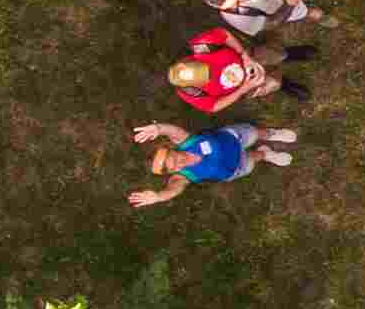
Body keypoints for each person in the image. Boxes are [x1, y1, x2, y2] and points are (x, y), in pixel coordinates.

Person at [127, 120, 294, 206]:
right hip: (235, 167)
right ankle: (265, 153)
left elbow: (172, 130)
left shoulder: (186, 141)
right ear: (171, 173)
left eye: (176, 158)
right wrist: (158, 197)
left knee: (255, 132)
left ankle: (272, 134)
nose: (180, 163)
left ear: (173, 148)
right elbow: (173, 190)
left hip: (235, 138)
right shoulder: (181, 177)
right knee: (254, 158)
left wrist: (158, 128)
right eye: (174, 168)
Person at [167, 27, 310, 111]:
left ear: (188, 60)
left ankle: (289, 55)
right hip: (242, 87)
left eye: (206, 69)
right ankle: (285, 85)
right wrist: (244, 88)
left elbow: (225, 35)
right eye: (206, 78)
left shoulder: (200, 47)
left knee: (273, 55)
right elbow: (214, 106)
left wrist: (244, 56)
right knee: (271, 84)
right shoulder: (189, 93)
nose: (211, 74)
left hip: (246, 58)